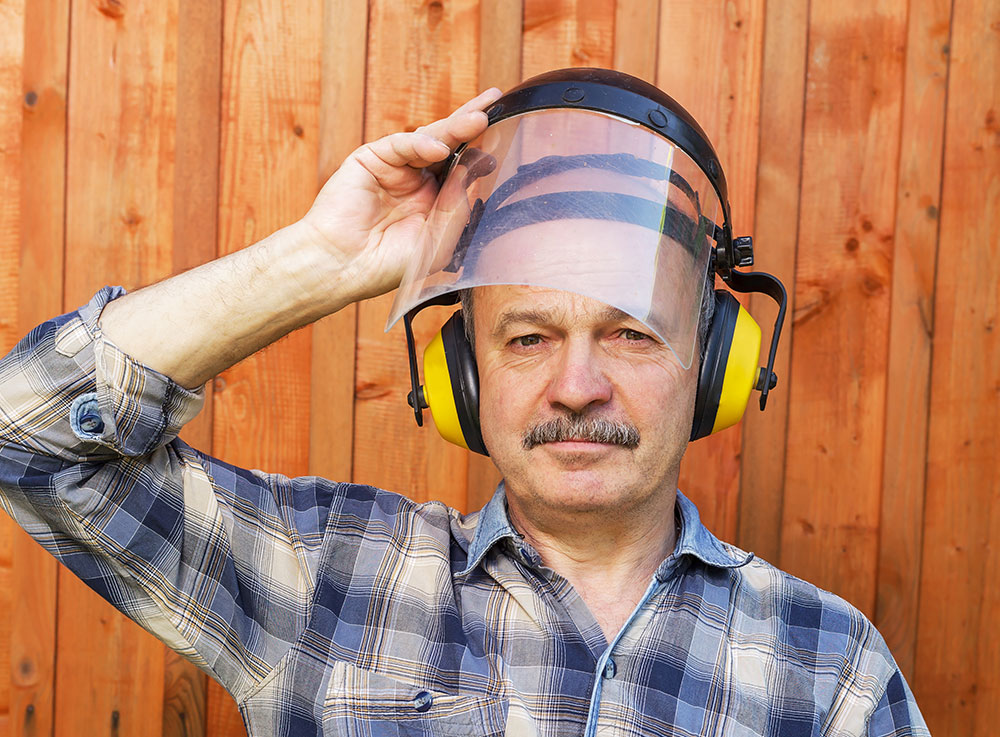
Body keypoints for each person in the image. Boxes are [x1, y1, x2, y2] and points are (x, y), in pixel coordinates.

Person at [0, 68, 928, 736]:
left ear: (714, 364)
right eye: (527, 337)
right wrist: (318, 266)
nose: (577, 386)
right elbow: (28, 436)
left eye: (630, 332)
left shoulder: (829, 666)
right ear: (462, 377)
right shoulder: (321, 578)